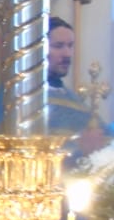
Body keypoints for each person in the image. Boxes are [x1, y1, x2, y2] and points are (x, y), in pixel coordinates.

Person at [46, 17, 107, 151]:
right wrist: (79, 147)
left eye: (70, 46)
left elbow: (107, 138)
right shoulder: (25, 100)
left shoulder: (71, 97)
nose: (67, 54)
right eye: (58, 46)